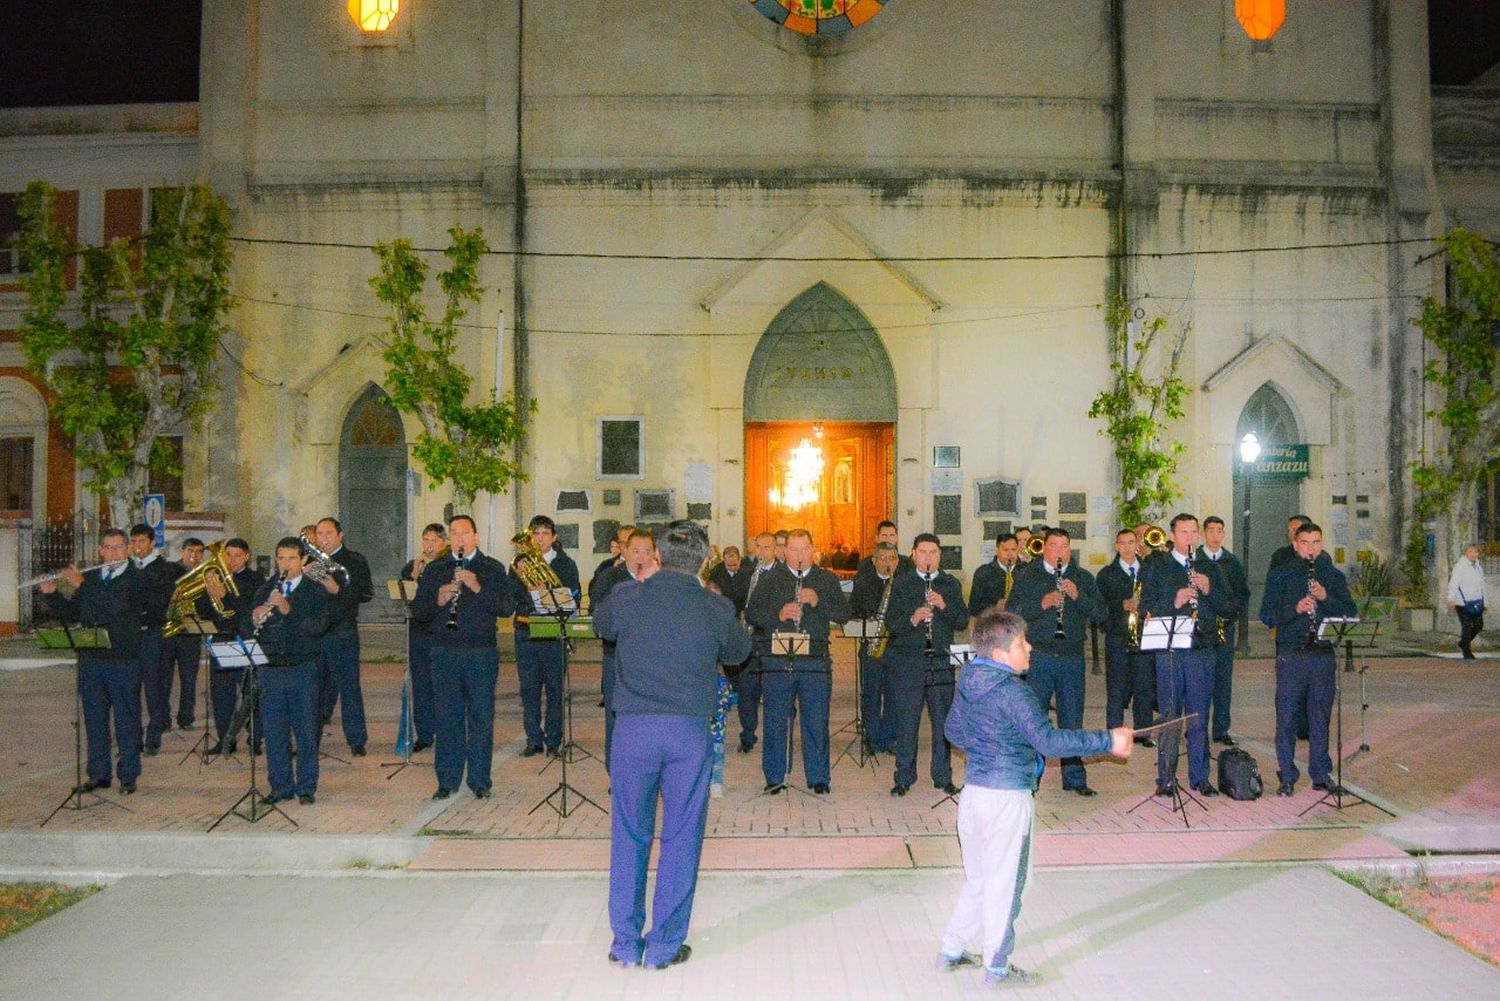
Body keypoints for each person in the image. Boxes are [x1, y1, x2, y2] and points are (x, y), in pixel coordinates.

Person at [937, 609, 1131, 986]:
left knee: (979, 879)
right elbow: (1050, 741)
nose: (1029, 649)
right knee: (1007, 884)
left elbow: (952, 729)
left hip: (975, 794)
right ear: (1000, 654)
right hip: (1007, 799)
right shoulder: (1013, 690)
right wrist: (1109, 739)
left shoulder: (970, 677)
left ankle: (952, 949)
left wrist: (987, 749)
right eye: (1021, 643)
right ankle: (996, 967)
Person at [594, 520, 749, 969]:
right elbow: (739, 652)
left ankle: (625, 943)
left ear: (657, 556)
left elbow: (601, 625)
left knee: (629, 832)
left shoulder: (627, 596)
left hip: (633, 731)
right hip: (687, 734)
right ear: (704, 561)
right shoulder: (712, 605)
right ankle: (663, 946)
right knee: (681, 835)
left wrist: (639, 582)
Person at [412, 515, 514, 800]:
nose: (459, 538)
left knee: (481, 718)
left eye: (464, 533)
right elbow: (419, 612)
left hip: (481, 653)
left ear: (475, 536)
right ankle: (447, 780)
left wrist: (477, 586)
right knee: (447, 718)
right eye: (454, 533)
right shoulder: (436, 570)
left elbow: (506, 608)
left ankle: (480, 781)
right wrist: (439, 600)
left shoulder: (491, 568)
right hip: (444, 652)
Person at [39, 529, 147, 794]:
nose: (113, 553)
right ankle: (98, 774)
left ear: (128, 550)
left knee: (126, 720)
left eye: (119, 547)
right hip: (92, 659)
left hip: (123, 660)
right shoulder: (91, 578)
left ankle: (128, 776)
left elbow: (115, 609)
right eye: (108, 548)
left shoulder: (136, 579)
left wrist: (81, 585)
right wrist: (52, 594)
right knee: (94, 719)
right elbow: (77, 612)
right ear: (100, 551)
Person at [744, 528, 850, 794]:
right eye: (793, 549)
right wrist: (778, 615)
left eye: (805, 549)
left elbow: (843, 614)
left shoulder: (825, 579)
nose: (800, 555)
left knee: (816, 721)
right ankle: (775, 776)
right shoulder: (771, 579)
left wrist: (818, 601)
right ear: (784, 551)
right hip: (777, 660)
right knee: (776, 720)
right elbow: (752, 613)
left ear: (813, 550)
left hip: (815, 662)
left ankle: (818, 778)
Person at [1006, 527, 1107, 795]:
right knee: (1034, 719)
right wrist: (1041, 604)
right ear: (1045, 548)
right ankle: (1031, 778)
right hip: (1039, 657)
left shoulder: (1082, 577)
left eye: (1064, 546)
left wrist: (1077, 596)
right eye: (1054, 546)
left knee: (1072, 719)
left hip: (1072, 658)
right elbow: (1011, 613)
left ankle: (1074, 778)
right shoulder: (1028, 576)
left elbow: (1101, 614)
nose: (1060, 551)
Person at [1263, 522, 1357, 796]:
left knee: (1320, 716)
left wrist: (1326, 598)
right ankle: (1287, 776)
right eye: (1305, 543)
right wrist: (1295, 608)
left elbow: (1350, 613)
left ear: (1322, 543)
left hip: (1323, 654)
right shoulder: (1280, 576)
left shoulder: (1333, 576)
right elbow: (1268, 614)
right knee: (1288, 717)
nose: (1311, 548)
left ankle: (1320, 773)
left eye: (1316, 542)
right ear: (1295, 544)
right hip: (1291, 654)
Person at [1140, 513, 1229, 797]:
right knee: (1170, 715)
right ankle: (1165, 778)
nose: (1190, 538)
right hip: (1170, 650)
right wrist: (1174, 600)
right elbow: (1146, 605)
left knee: (1199, 716)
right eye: (1184, 532)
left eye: (1194, 532)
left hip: (1202, 650)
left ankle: (1200, 777)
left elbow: (1230, 607)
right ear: (1173, 536)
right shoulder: (1159, 566)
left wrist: (1209, 589)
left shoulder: (1209, 568)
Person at [882, 534, 969, 796]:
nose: (928, 557)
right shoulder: (902, 584)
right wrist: (912, 619)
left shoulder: (950, 584)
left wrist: (943, 605)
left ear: (939, 555)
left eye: (933, 552)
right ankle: (904, 777)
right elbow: (891, 625)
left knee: (943, 721)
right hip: (909, 661)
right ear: (913, 554)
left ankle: (943, 777)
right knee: (907, 721)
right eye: (923, 552)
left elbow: (962, 621)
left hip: (941, 661)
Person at [251, 537, 331, 806]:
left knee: (306, 732)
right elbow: (246, 627)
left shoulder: (314, 591)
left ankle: (306, 787)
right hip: (270, 670)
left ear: (303, 560)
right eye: (280, 558)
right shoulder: (265, 590)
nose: (285, 564)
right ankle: (280, 786)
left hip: (302, 670)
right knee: (274, 733)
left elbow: (318, 627)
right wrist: (254, 616)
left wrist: (288, 610)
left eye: (291, 559)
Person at [509, 514, 582, 757]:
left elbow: (573, 596)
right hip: (526, 630)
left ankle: (553, 739)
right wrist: (529, 589)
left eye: (544, 534)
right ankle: (533, 739)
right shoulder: (519, 563)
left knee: (554, 689)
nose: (539, 539)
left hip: (553, 634)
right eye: (535, 534)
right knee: (529, 689)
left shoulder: (565, 564)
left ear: (554, 537)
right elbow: (511, 596)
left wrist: (547, 591)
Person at [592, 527, 655, 770]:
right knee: (616, 716)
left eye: (647, 551)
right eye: (636, 550)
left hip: (650, 662)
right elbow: (600, 615)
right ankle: (617, 771)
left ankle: (648, 769)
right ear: (625, 551)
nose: (641, 556)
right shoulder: (610, 578)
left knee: (649, 717)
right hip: (616, 658)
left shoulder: (659, 580)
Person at [313, 517, 374, 755]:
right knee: (313, 690)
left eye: (328, 533)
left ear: (340, 535)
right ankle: (311, 740)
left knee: (349, 688)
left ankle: (357, 741)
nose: (324, 538)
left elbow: (366, 594)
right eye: (319, 534)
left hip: (343, 632)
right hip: (316, 634)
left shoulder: (354, 560)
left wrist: (337, 589)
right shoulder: (312, 560)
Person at [199, 538, 264, 755]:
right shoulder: (216, 578)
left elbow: (248, 608)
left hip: (244, 639)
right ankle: (226, 739)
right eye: (228, 555)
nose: (232, 560)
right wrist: (205, 593)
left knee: (250, 692)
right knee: (221, 695)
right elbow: (205, 611)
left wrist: (224, 595)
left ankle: (255, 739)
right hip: (221, 639)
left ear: (246, 556)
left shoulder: (255, 579)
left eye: (237, 555)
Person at [1096, 528, 1156, 745]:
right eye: (1124, 543)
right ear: (1117, 546)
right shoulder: (1106, 575)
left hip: (1144, 636)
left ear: (1137, 544)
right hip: (1118, 637)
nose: (1128, 547)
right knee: (1116, 687)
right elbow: (1099, 609)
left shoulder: (1149, 570)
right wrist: (1120, 605)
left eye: (1132, 542)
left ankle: (1143, 733)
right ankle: (1114, 733)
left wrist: (1146, 608)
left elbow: (1157, 597)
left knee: (1144, 686)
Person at [1198, 515, 1250, 745]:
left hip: (1225, 628)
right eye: (1211, 531)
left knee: (1223, 681)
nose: (1215, 535)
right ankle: (1196, 729)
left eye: (1220, 531)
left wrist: (1233, 610)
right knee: (1200, 681)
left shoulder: (1232, 562)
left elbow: (1242, 594)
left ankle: (1221, 729)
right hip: (1201, 630)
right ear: (1203, 533)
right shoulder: (1195, 560)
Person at [399, 522, 449, 753]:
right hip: (418, 633)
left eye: (433, 541)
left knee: (443, 686)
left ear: (444, 543)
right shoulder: (412, 567)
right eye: (425, 540)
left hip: (440, 633)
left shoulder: (447, 566)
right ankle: (425, 734)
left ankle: (446, 731)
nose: (428, 546)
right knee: (420, 687)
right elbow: (407, 599)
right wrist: (414, 576)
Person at [129, 523, 179, 755]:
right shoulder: (128, 568)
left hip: (152, 633)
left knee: (154, 689)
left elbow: (159, 602)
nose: (136, 547)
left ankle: (153, 738)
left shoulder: (163, 569)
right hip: (130, 635)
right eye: (134, 542)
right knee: (129, 689)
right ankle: (132, 739)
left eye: (141, 542)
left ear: (151, 543)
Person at [849, 541, 901, 756]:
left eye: (892, 559)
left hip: (895, 647)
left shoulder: (902, 583)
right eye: (883, 559)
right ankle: (871, 738)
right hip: (871, 645)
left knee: (892, 693)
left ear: (897, 562)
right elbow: (852, 611)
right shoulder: (863, 583)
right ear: (874, 561)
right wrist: (868, 620)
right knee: (870, 693)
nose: (887, 563)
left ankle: (888, 738)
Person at [735, 531, 778, 754]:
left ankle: (776, 736)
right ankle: (748, 734)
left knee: (774, 691)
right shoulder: (747, 573)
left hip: (770, 639)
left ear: (776, 550)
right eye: (758, 547)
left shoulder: (783, 576)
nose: (761, 552)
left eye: (766, 548)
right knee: (747, 690)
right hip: (748, 639)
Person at [162, 537, 206, 731]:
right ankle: (163, 719)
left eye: (198, 552)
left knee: (189, 679)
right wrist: (170, 597)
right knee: (164, 679)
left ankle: (186, 718)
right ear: (182, 552)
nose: (194, 556)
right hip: (170, 631)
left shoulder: (205, 574)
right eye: (190, 551)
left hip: (191, 633)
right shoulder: (170, 571)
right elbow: (160, 597)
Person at [967, 532, 1021, 617]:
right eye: (1006, 550)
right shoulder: (983, 573)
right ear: (996, 551)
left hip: (1020, 624)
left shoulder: (1027, 571)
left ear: (1018, 550)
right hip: (992, 624)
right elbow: (973, 609)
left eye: (1013, 550)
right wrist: (995, 607)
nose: (1010, 554)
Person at [1447, 544, 1487, 659]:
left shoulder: (1478, 567)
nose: (1474, 554)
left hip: (1476, 602)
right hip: (1462, 602)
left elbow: (1482, 586)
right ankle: (1467, 652)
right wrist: (1451, 599)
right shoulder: (1460, 566)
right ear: (1466, 553)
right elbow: (1454, 583)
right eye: (1471, 552)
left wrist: (1486, 602)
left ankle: (1464, 642)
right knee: (1466, 626)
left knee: (1479, 625)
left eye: (1476, 552)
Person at [707, 545, 751, 615]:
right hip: (724, 611)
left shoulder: (749, 570)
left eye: (735, 565)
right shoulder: (716, 572)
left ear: (740, 559)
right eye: (728, 565)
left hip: (745, 612)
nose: (732, 568)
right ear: (723, 560)